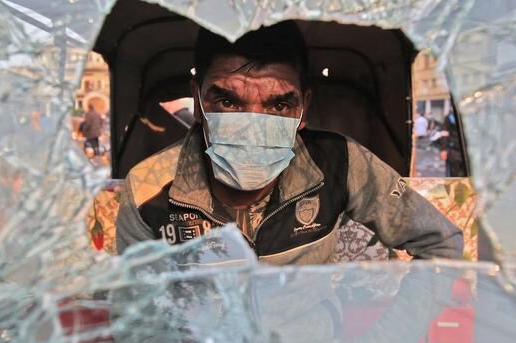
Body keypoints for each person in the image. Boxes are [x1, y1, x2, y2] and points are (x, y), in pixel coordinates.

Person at [116, 22, 462, 263]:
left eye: (279, 104)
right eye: (228, 102)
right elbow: (137, 312)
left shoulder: (339, 163)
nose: (252, 127)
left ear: (303, 108)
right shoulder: (148, 188)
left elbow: (439, 241)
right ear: (198, 102)